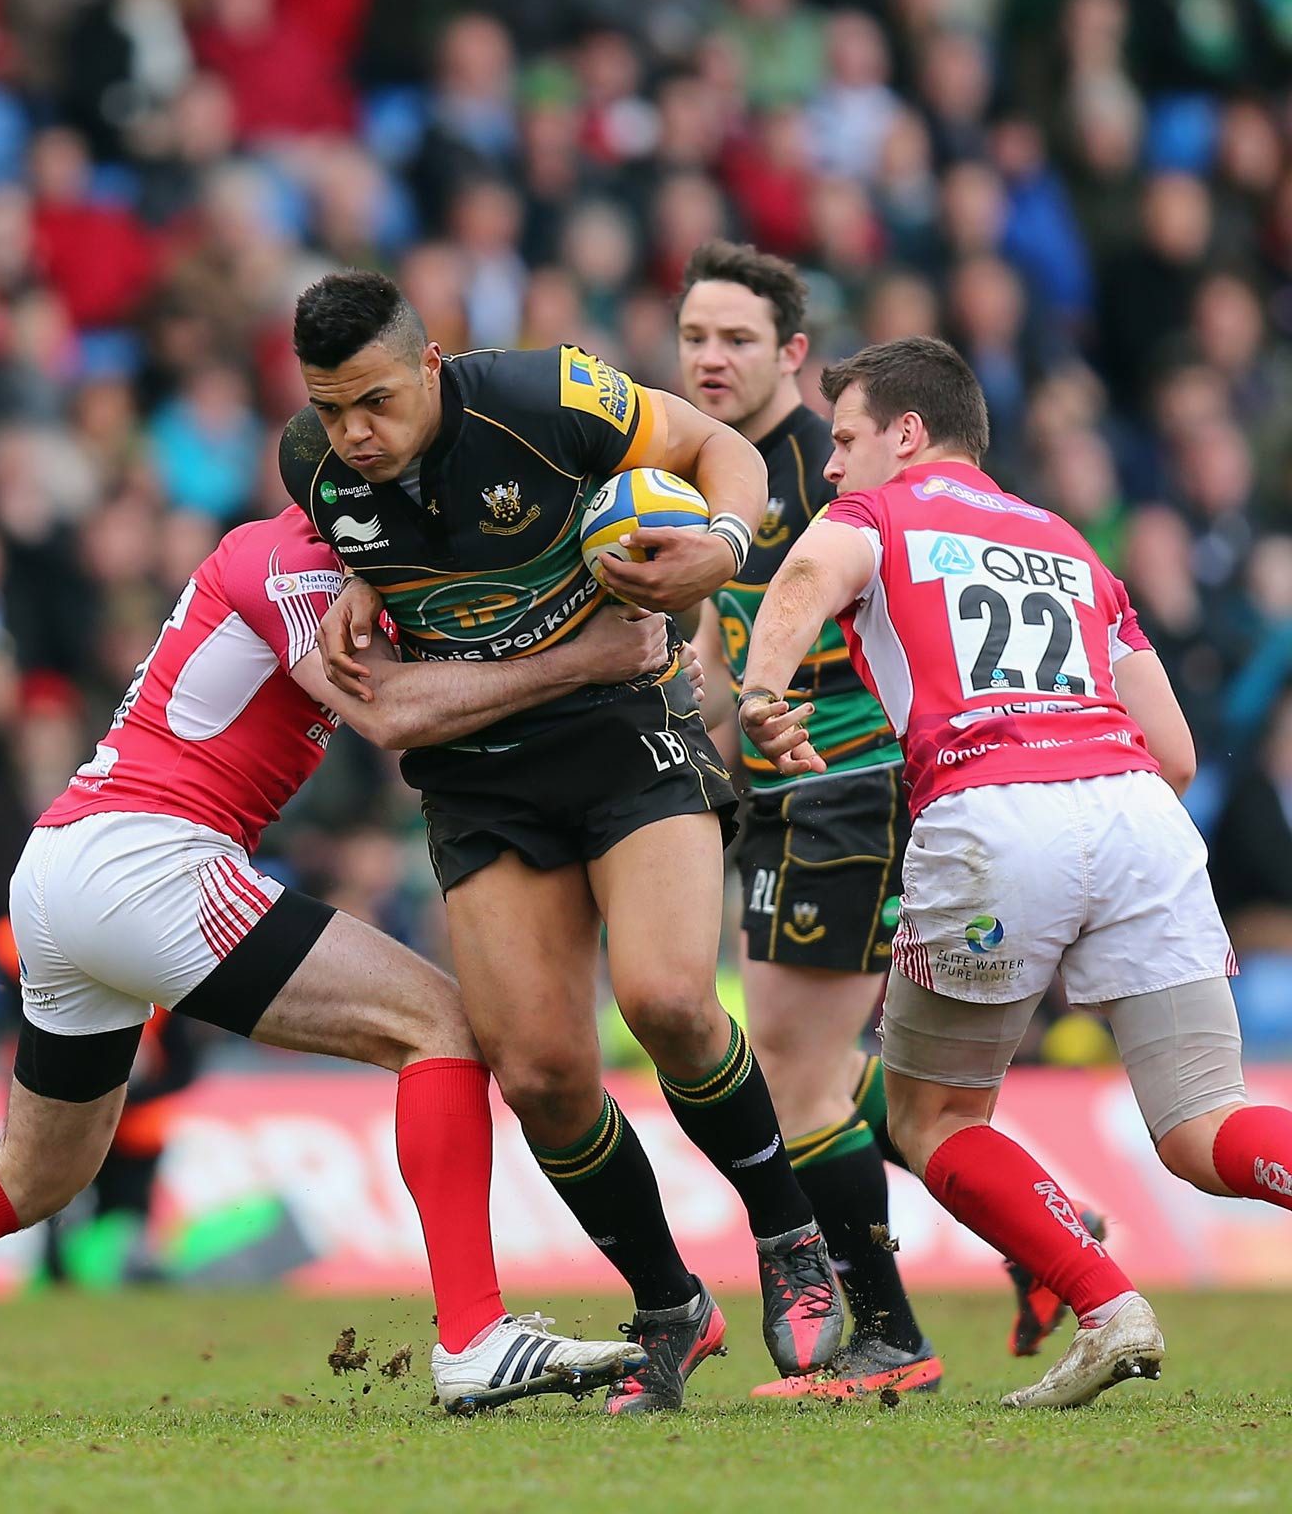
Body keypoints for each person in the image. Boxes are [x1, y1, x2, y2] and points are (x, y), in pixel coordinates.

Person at [0, 505, 679, 1423]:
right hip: (151, 857)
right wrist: (591, 656)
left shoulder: (316, 560)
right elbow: (391, 715)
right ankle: (471, 1336)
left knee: (37, 1172)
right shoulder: (291, 560)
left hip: (69, 862)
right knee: (441, 1028)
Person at [290, 269, 841, 1412]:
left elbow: (711, 446)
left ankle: (792, 1238)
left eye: (375, 404)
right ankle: (667, 1308)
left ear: (431, 366)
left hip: (620, 731)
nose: (352, 435)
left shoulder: (543, 400)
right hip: (481, 781)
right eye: (329, 408)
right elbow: (379, 583)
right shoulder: (312, 469)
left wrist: (724, 542)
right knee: (538, 1073)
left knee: (669, 1001)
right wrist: (350, 572)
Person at [739, 335, 1292, 1409]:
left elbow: (806, 572)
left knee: (933, 1122)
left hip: (990, 810)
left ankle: (1105, 1305)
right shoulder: (1069, 545)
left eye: (846, 438)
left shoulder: (871, 515)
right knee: (1201, 1124)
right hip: (1136, 810)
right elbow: (1174, 752)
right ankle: (1100, 1306)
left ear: (907, 433)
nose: (835, 465)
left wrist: (764, 693)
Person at [676, 241, 935, 1397]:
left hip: (846, 781)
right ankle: (1044, 1231)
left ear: (790, 353)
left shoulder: (826, 468)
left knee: (787, 1068)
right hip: (772, 800)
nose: (709, 357)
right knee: (811, 1065)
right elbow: (714, 653)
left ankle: (887, 1337)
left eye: (735, 339)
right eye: (693, 337)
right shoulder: (688, 468)